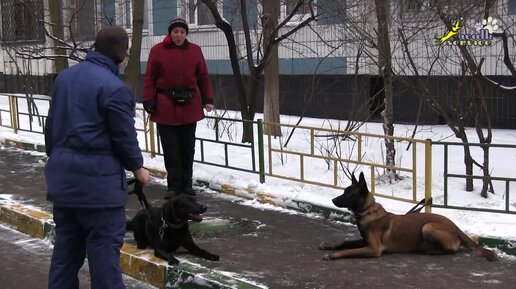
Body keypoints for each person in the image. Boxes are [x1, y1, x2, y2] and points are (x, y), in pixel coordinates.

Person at [44, 26, 151, 289]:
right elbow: (123, 137)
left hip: (64, 185)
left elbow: (51, 128)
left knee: (65, 257)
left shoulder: (65, 78)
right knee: (104, 261)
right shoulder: (115, 88)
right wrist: (138, 168)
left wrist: (60, 160)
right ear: (121, 55)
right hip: (98, 191)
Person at [142, 17, 214, 199]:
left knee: (187, 148)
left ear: (186, 33)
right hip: (165, 106)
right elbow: (150, 77)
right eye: (175, 32)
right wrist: (149, 99)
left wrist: (208, 99)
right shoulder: (157, 51)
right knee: (171, 149)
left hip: (190, 106)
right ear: (170, 32)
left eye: (182, 32)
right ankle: (173, 186)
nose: (179, 35)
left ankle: (187, 184)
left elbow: (203, 77)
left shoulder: (195, 51)